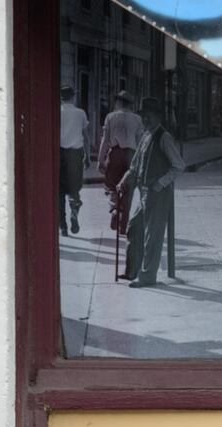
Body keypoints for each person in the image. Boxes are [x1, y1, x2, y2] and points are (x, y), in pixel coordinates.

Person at [118, 97, 185, 287]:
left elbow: (179, 166)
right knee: (134, 227)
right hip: (144, 191)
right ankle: (133, 271)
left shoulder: (164, 137)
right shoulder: (146, 136)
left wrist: (161, 183)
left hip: (158, 193)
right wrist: (124, 179)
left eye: (148, 117)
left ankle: (147, 277)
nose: (145, 120)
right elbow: (135, 164)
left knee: (152, 237)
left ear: (157, 117)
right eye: (143, 117)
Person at [98, 91, 140, 232]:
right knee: (128, 189)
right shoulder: (137, 119)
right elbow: (140, 142)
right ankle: (124, 225)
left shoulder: (111, 117)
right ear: (130, 104)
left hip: (115, 153)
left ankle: (115, 209)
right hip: (132, 155)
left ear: (119, 103)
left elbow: (105, 140)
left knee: (111, 185)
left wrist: (101, 159)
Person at [58, 84, 90, 235]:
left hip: (59, 153)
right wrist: (88, 156)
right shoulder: (80, 113)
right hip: (75, 154)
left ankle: (62, 226)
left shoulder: (56, 111)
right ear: (73, 97)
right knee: (74, 188)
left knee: (59, 192)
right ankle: (74, 211)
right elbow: (86, 136)